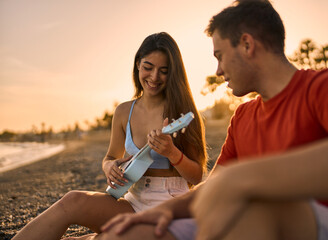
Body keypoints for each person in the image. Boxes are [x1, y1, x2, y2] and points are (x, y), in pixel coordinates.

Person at [93, 1, 328, 240]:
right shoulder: (242, 117)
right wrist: (164, 211)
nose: (218, 70)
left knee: (257, 206)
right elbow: (210, 187)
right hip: (245, 221)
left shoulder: (327, 86)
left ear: (246, 45)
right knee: (131, 233)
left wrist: (240, 179)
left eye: (219, 56)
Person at [12, 32, 207, 240]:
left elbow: (197, 177)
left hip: (172, 205)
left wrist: (172, 153)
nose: (154, 77)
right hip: (133, 201)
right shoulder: (124, 112)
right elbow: (110, 157)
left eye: (164, 71)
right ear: (138, 65)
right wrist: (110, 168)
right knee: (72, 200)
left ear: (173, 73)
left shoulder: (183, 112)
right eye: (148, 67)